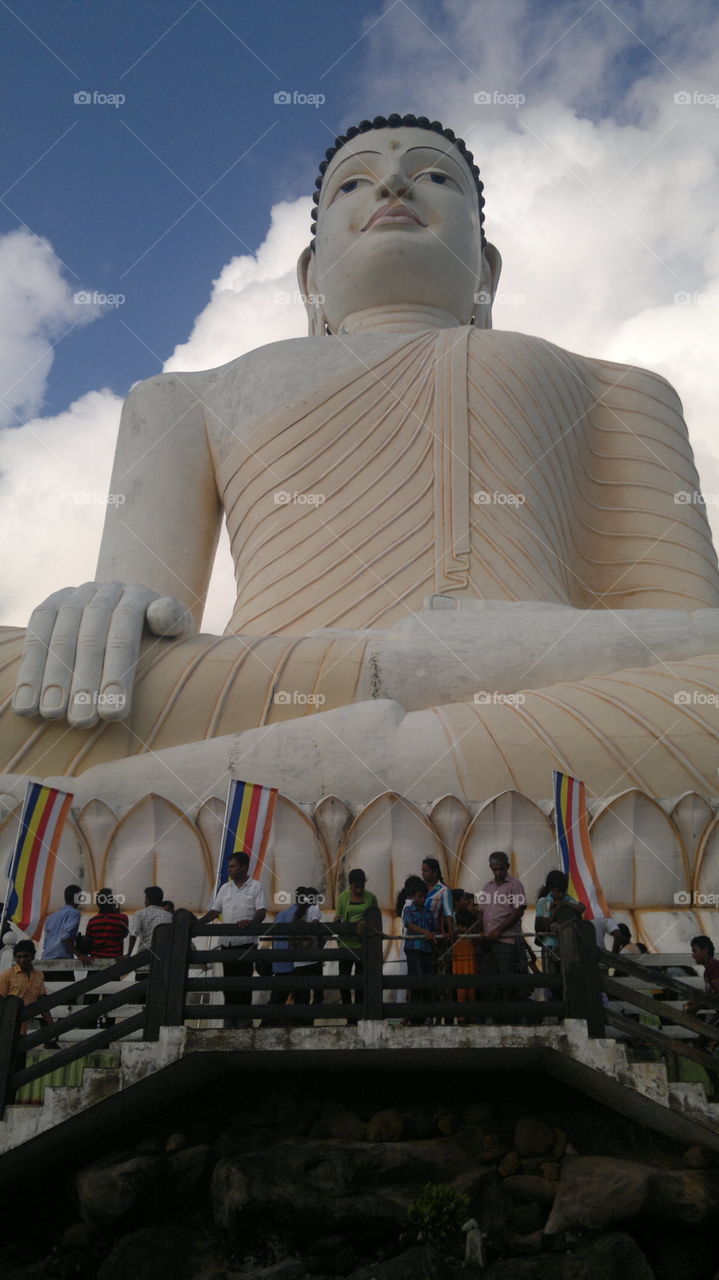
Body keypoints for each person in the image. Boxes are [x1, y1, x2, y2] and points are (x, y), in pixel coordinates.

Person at [8, 115, 719, 858]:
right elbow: (144, 640)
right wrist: (100, 614)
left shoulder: (617, 389)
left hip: (556, 689)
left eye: (435, 175)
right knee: (42, 688)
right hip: (268, 689)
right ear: (311, 275)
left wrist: (502, 647)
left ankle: (122, 819)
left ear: (486, 270)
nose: (393, 184)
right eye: (353, 181)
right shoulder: (187, 398)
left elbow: (690, 633)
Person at [198, 852, 267, 1028]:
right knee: (228, 984)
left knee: (243, 983)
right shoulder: (225, 888)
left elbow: (261, 911)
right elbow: (215, 911)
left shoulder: (256, 887)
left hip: (245, 942)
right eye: (229, 866)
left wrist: (251, 922)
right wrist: (198, 923)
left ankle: (243, 1022)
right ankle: (230, 1022)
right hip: (227, 943)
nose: (229, 869)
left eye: (233, 866)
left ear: (244, 867)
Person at [477, 852, 527, 1014]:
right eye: (495, 869)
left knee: (506, 981)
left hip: (506, 941)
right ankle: (494, 1016)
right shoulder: (487, 887)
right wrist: (479, 932)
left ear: (507, 867)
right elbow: (481, 913)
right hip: (488, 942)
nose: (498, 872)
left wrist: (499, 930)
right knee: (490, 981)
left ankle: (508, 1017)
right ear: (491, 867)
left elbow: (518, 911)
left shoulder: (515, 885)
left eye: (501, 869)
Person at [266, 886, 322, 1021]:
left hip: (280, 965)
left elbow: (274, 940)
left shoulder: (281, 914)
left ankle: (267, 1026)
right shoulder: (306, 912)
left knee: (276, 1003)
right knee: (302, 1002)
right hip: (298, 965)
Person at [333, 868, 378, 1021]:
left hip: (362, 946)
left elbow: (375, 919)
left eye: (361, 886)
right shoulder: (343, 898)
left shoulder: (371, 898)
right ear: (350, 885)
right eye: (355, 887)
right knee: (344, 981)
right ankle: (348, 1013)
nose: (358, 890)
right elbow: (338, 917)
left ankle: (359, 1014)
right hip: (345, 945)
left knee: (361, 981)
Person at [534, 870, 585, 1002]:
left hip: (567, 947)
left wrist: (564, 904)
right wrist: (555, 912)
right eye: (558, 890)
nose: (561, 894)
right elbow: (539, 928)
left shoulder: (569, 900)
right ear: (551, 889)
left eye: (562, 890)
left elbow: (580, 909)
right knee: (553, 983)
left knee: (568, 981)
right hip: (550, 946)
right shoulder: (543, 902)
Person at [0, 940, 58, 1043]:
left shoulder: (39, 975)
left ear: (33, 956)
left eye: (25, 956)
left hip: (24, 1028)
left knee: (20, 1056)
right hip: (6, 1028)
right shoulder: (7, 975)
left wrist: (51, 1025)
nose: (22, 960)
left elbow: (42, 1003)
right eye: (18, 957)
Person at [401, 880, 436, 1024]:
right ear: (413, 897)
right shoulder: (408, 910)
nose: (422, 899)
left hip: (426, 949)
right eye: (419, 896)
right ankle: (414, 1015)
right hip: (414, 948)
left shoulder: (428, 912)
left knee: (426, 980)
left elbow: (433, 927)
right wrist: (426, 933)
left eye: (424, 896)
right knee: (416, 980)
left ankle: (423, 1015)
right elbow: (409, 924)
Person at [684, 935, 719, 1052]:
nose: (693, 955)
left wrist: (697, 1007)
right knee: (700, 1044)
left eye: (695, 951)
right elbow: (711, 996)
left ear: (705, 951)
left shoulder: (714, 967)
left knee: (704, 1046)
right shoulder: (708, 971)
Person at [452, 906, 481, 1021]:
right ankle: (469, 1017)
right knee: (470, 994)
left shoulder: (457, 936)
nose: (463, 929)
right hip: (470, 969)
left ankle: (462, 1017)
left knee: (462, 994)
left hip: (460, 970)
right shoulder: (466, 936)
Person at [85, 890, 129, 961]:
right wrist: (116, 912)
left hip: (96, 963)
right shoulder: (122, 919)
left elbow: (88, 943)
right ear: (112, 902)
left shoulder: (92, 921)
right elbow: (124, 934)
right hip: (116, 963)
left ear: (98, 904)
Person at [128, 885, 169, 957]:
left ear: (148, 899)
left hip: (144, 957)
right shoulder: (170, 916)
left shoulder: (140, 914)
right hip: (164, 958)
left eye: (145, 898)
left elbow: (133, 934)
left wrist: (129, 954)